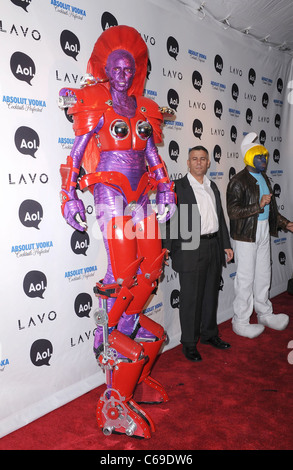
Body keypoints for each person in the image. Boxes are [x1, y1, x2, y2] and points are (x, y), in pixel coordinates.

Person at [58, 25, 176, 438]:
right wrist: (68, 195)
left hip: (143, 193)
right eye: (117, 67)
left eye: (130, 67)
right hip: (109, 191)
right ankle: (111, 354)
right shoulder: (97, 102)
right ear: (107, 70)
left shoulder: (143, 108)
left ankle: (123, 352)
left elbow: (151, 154)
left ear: (136, 70)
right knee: (124, 276)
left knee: (151, 269)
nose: (124, 73)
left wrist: (166, 188)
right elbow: (75, 154)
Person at [166, 146, 233, 362]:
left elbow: (219, 217)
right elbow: (169, 219)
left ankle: (209, 334)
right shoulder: (178, 186)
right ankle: (189, 343)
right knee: (190, 299)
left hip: (213, 245)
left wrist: (225, 244)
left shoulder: (212, 186)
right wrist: (166, 247)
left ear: (208, 163)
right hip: (189, 248)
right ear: (187, 162)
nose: (198, 162)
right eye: (194, 158)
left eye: (203, 159)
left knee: (210, 295)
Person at [226, 132, 293, 339]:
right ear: (248, 156)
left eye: (265, 156)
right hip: (246, 234)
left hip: (263, 230)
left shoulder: (264, 178)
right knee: (245, 278)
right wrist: (258, 205)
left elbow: (271, 209)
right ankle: (241, 320)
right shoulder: (238, 181)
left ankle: (264, 313)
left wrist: (286, 224)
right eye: (259, 156)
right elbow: (233, 212)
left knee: (264, 274)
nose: (264, 160)